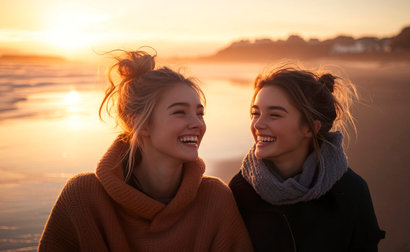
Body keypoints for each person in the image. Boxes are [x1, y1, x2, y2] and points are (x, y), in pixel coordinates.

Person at [38, 49, 253, 251]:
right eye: (180, 112)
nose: (197, 123)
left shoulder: (215, 199)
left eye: (199, 113)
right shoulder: (83, 197)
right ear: (141, 124)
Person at [229, 65, 385, 251]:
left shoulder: (351, 192)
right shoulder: (240, 192)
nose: (258, 124)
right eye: (256, 113)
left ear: (310, 127)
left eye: (274, 115)